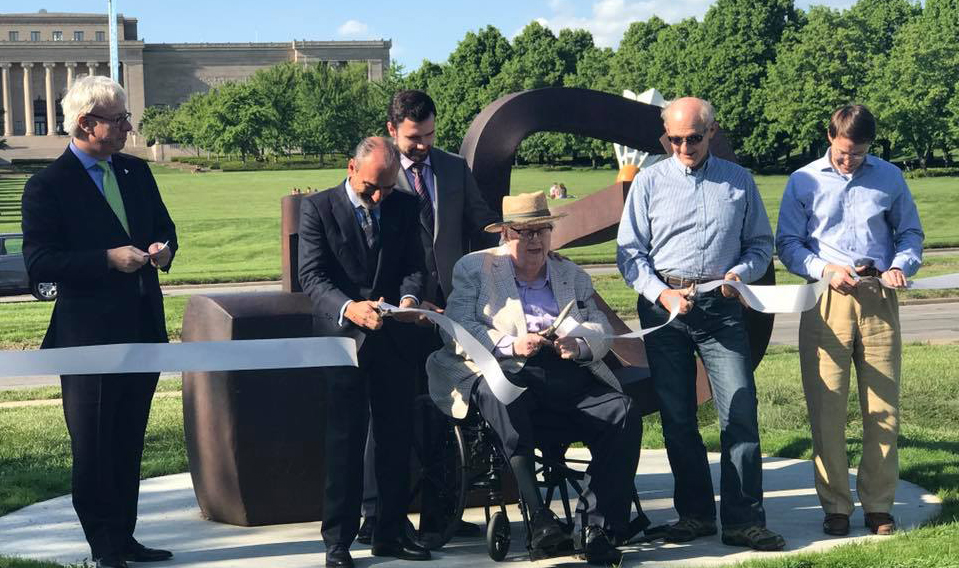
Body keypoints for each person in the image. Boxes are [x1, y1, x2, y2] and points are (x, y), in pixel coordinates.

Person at [427, 191, 643, 565]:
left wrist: (578, 343)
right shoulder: (475, 268)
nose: (534, 240)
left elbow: (600, 327)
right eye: (523, 232)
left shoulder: (569, 274)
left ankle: (594, 527)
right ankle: (540, 519)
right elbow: (456, 326)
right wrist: (511, 344)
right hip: (502, 367)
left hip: (562, 368)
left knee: (621, 412)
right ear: (504, 235)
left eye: (541, 231)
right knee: (502, 395)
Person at [20, 75, 178, 568]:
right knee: (94, 446)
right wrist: (107, 259)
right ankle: (104, 546)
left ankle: (125, 538)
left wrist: (163, 249)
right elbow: (41, 263)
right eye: (119, 120)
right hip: (87, 340)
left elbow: (166, 227)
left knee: (129, 441)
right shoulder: (47, 186)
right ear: (87, 124)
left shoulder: (134, 172)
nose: (130, 127)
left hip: (143, 328)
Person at [616, 97, 784, 551]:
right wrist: (662, 293)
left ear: (711, 132)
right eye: (675, 139)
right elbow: (630, 254)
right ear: (663, 138)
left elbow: (759, 245)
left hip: (722, 308)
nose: (684, 146)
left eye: (693, 137)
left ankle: (743, 519)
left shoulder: (739, 181)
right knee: (677, 418)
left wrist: (740, 275)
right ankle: (694, 514)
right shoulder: (648, 182)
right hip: (665, 310)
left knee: (741, 411)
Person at [357, 89, 500, 541]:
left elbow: (480, 223)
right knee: (387, 415)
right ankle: (376, 516)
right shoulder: (378, 172)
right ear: (391, 130)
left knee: (446, 411)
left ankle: (444, 516)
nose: (423, 146)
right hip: (395, 313)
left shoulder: (454, 168)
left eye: (431, 135)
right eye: (414, 138)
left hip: (450, 311)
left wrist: (512, 241)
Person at [776, 104, 924, 537]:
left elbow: (910, 233)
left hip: (879, 296)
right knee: (827, 410)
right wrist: (825, 269)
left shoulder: (890, 177)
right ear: (830, 136)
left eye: (857, 154)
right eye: (842, 152)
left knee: (883, 408)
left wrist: (901, 264)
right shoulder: (803, 180)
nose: (848, 161)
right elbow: (788, 243)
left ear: (869, 147)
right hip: (826, 298)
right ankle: (835, 507)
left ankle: (879, 506)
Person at [297, 137, 432, 568]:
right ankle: (337, 540)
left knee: (395, 438)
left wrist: (409, 302)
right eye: (372, 187)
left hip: (393, 338)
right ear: (351, 167)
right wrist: (349, 308)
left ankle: (389, 530)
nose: (378, 197)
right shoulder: (318, 208)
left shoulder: (404, 206)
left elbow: (415, 267)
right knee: (345, 441)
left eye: (387, 188)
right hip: (342, 340)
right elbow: (312, 277)